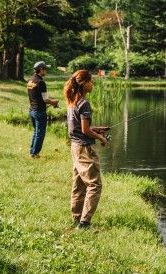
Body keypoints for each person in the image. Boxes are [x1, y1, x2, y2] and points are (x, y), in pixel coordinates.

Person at [64, 69, 108, 229]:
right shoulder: (84, 103)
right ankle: (84, 222)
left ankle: (76, 218)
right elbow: (84, 130)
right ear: (83, 83)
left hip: (75, 147)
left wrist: (95, 129)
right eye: (91, 81)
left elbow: (78, 128)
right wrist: (101, 137)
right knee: (95, 184)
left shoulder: (72, 101)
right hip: (84, 149)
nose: (93, 84)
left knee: (79, 184)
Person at [27, 61, 59, 158]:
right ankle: (35, 154)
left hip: (32, 110)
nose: (46, 71)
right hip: (39, 112)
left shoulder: (30, 80)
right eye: (45, 69)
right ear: (41, 70)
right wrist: (54, 102)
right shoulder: (41, 82)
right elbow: (46, 99)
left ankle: (32, 151)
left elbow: (37, 97)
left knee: (36, 132)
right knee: (40, 133)